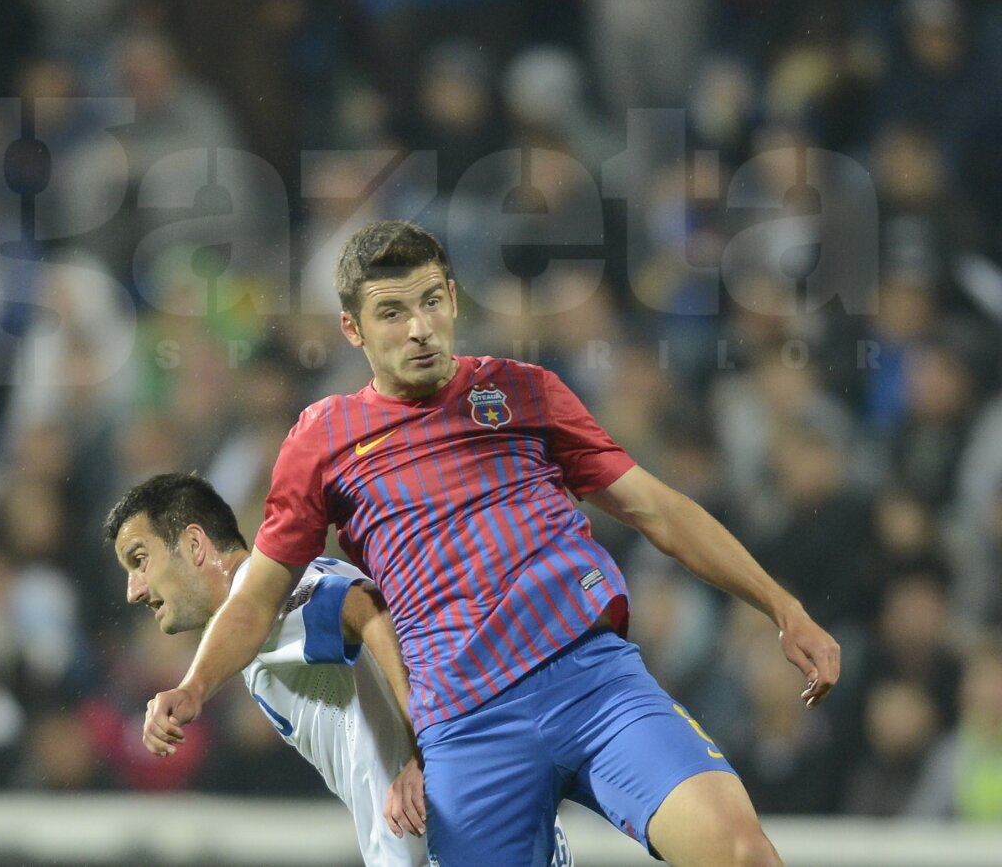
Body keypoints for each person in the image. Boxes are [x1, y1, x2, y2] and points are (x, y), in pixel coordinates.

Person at [142, 221, 841, 866]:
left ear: (452, 297)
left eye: (430, 302)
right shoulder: (323, 440)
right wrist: (194, 685)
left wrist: (782, 607)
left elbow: (655, 509)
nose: (419, 329)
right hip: (466, 731)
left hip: (593, 682)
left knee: (742, 854)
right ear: (354, 330)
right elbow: (259, 594)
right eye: (392, 313)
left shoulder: (521, 391)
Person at [106, 471, 573, 867]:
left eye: (140, 560)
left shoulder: (263, 600)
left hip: (458, 841)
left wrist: (428, 746)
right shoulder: (278, 599)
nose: (134, 589)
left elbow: (362, 608)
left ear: (194, 544)